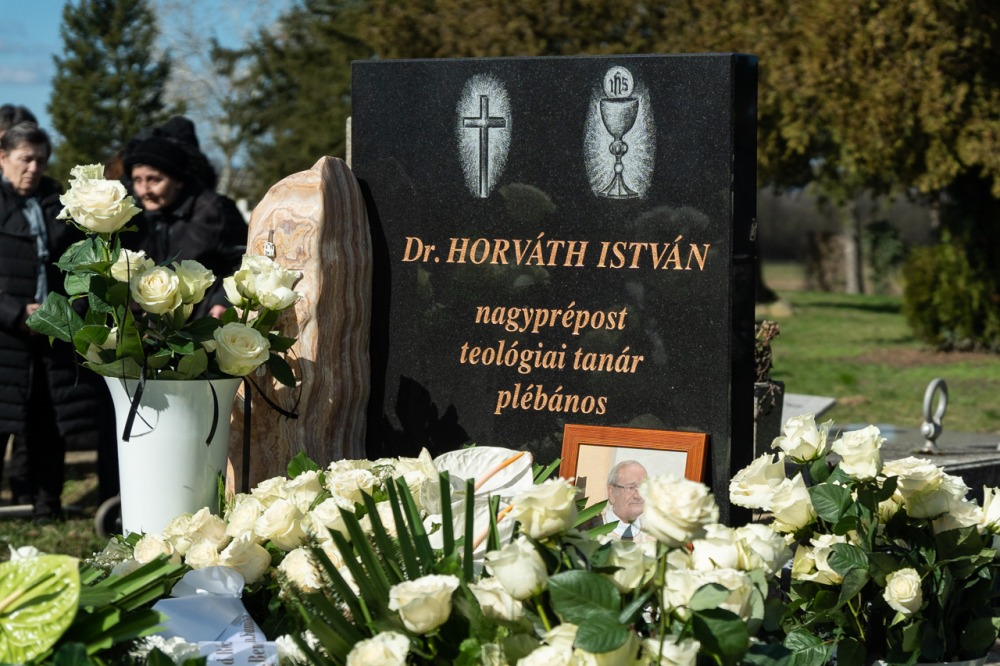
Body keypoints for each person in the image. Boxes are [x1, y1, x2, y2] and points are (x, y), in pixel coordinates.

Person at [0, 122, 113, 519]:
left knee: (48, 422)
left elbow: (79, 267)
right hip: (6, 336)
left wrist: (66, 313)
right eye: (25, 159)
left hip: (52, 333)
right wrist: (16, 312)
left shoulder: (59, 204)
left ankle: (46, 506)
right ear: (2, 158)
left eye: (41, 160)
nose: (33, 167)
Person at [122, 134, 246, 319]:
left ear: (178, 181)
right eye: (137, 180)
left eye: (154, 180)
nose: (144, 190)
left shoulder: (213, 211)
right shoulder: (143, 216)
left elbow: (245, 258)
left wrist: (223, 300)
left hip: (203, 323)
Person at [598, 460, 653, 542]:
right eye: (631, 488)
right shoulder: (588, 530)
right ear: (612, 492)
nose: (638, 496)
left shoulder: (656, 536)